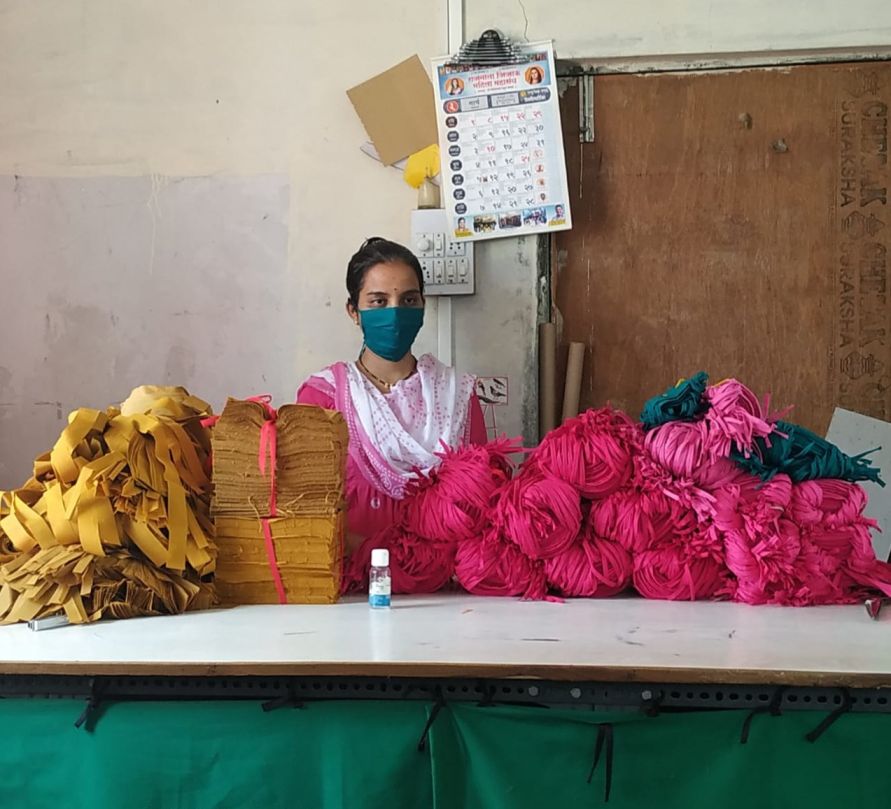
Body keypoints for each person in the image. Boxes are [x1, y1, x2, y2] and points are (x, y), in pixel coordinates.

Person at [297, 237, 487, 553]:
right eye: (378, 301)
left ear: (423, 305)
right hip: (349, 588)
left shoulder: (457, 395)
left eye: (409, 300)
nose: (395, 313)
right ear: (353, 311)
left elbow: (481, 498)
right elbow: (305, 507)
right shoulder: (323, 399)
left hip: (443, 589)